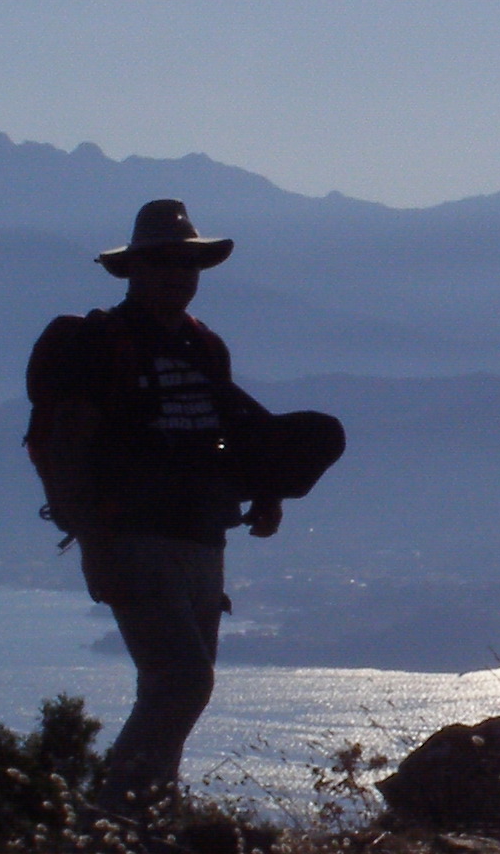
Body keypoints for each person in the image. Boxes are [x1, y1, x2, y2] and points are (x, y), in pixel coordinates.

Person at [25, 199, 308, 817]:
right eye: (163, 263)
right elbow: (68, 440)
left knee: (176, 685)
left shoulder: (205, 347)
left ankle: (151, 815)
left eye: (188, 263)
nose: (178, 275)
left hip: (203, 537)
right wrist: (93, 538)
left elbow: (226, 431)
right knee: (182, 681)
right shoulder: (100, 345)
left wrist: (267, 491)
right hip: (130, 539)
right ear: (134, 271)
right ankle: (121, 819)